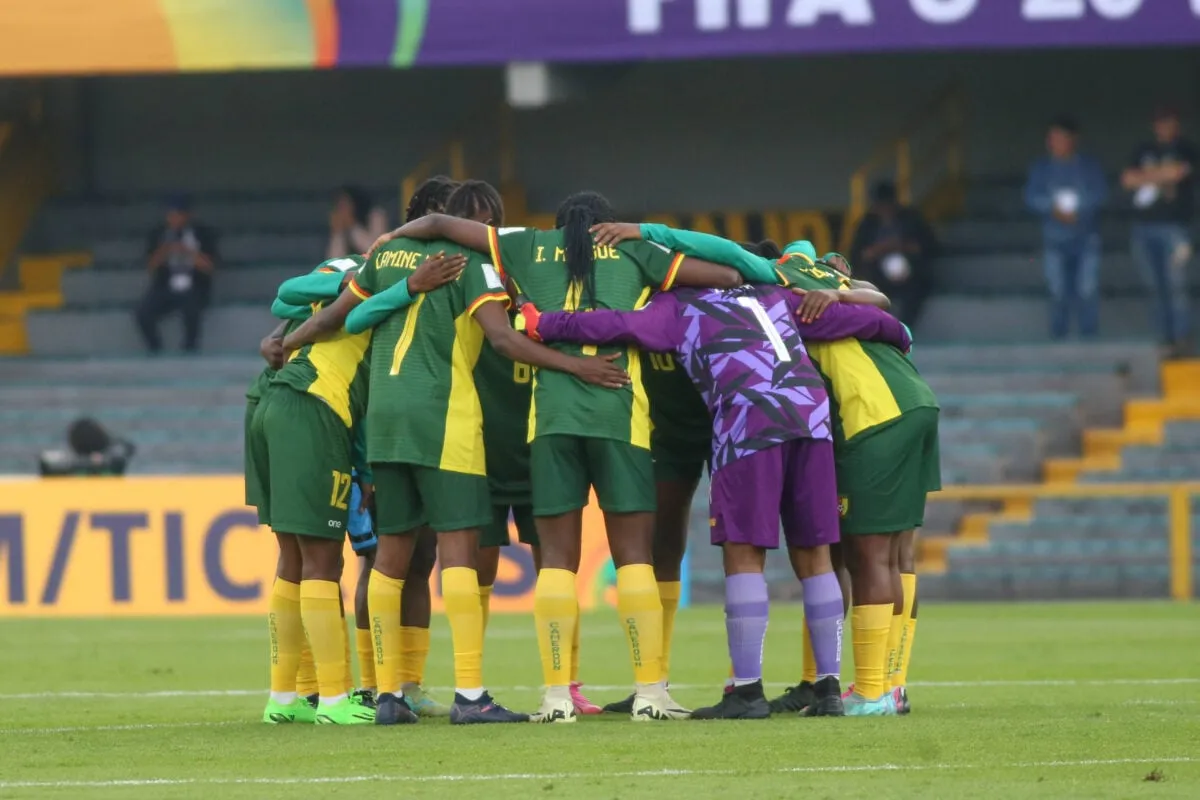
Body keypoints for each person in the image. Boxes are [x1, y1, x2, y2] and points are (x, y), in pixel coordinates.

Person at [383, 191, 742, 723]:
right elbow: (729, 276)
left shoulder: (527, 245)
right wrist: (646, 234)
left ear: (558, 226)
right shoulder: (633, 251)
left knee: (556, 562)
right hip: (619, 414)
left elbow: (438, 221)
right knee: (635, 559)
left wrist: (390, 241)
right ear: (608, 225)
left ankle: (555, 697)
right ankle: (650, 693)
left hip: (550, 419)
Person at [287, 181, 629, 726]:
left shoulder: (386, 254)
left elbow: (345, 319)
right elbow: (503, 340)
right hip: (443, 417)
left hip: (386, 418)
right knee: (459, 551)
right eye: (488, 222)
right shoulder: (475, 264)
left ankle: (389, 694)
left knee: (391, 556)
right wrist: (578, 365)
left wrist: (288, 342)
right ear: (476, 223)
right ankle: (471, 696)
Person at [519, 274, 912, 720]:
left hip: (748, 417)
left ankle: (746, 692)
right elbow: (860, 318)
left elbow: (614, 325)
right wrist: (901, 334)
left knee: (743, 553)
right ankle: (826, 688)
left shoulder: (676, 305)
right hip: (809, 412)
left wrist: (543, 322)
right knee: (816, 553)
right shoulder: (770, 293)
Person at [1024, 116, 1108, 340]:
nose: (1056, 143)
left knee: (1087, 289)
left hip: (1086, 238)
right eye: (1053, 138)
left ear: (1073, 139)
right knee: (1057, 290)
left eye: (1062, 138)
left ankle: (1089, 337)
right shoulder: (1041, 168)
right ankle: (1058, 337)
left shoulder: (1089, 166)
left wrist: (1079, 211)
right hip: (1054, 238)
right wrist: (1053, 209)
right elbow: (1031, 197)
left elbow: (1101, 194)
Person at [1122, 107, 1197, 356]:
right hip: (1143, 228)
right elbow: (1127, 180)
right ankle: (1164, 341)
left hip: (1175, 229)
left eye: (1167, 122)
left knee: (1176, 286)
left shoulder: (1186, 149)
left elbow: (1178, 173)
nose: (1163, 126)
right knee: (1154, 287)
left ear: (1176, 123)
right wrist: (1161, 176)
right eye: (1159, 122)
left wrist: (1146, 176)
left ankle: (1181, 340)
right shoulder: (1143, 150)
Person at [134, 195, 218, 353]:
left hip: (195, 285)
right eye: (171, 214)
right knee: (142, 313)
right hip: (165, 286)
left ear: (187, 215)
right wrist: (165, 250)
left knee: (191, 308)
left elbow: (210, 268)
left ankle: (189, 349)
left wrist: (188, 252)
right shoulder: (158, 233)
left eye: (179, 214)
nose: (174, 218)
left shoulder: (203, 233)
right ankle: (155, 349)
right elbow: (150, 267)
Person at [848, 181, 937, 327]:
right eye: (880, 205)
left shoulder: (911, 218)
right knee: (868, 289)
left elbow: (927, 246)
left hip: (911, 270)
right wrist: (879, 249)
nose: (884, 209)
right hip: (877, 271)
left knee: (915, 290)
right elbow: (860, 254)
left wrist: (900, 246)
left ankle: (905, 329)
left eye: (887, 204)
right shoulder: (868, 223)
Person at [327, 186, 390, 260]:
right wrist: (337, 232)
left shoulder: (376, 215)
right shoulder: (342, 225)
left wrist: (352, 225)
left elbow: (374, 250)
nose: (342, 210)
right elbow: (333, 260)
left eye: (344, 205)